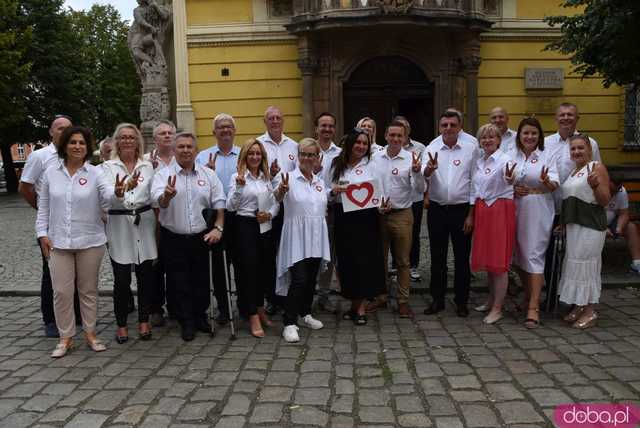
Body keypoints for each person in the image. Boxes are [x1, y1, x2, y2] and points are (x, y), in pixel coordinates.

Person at [35, 126, 113, 357]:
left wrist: (119, 192)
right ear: (64, 146)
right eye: (73, 142)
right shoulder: (51, 172)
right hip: (58, 242)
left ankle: (90, 333)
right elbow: (44, 208)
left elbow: (107, 196)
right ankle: (66, 337)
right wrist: (42, 234)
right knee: (61, 291)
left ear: (88, 147)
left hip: (90, 240)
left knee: (88, 291)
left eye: (82, 143)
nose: (77, 146)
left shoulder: (96, 173)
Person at [151, 132, 226, 341]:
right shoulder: (162, 175)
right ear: (174, 150)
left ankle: (200, 316)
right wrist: (167, 195)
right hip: (174, 237)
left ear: (196, 151)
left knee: (202, 280)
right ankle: (186, 321)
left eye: (189, 147)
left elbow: (219, 203)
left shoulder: (208, 175)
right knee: (178, 281)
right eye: (181, 147)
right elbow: (159, 203)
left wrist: (218, 228)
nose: (185, 150)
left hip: (201, 236)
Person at [19, 115, 82, 338]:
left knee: (74, 270)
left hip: (74, 223)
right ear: (51, 132)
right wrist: (41, 209)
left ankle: (75, 314)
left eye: (68, 128)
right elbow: (25, 187)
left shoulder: (75, 155)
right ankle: (51, 319)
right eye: (59, 128)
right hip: (50, 225)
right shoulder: (40, 156)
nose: (64, 132)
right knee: (51, 272)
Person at [102, 124, 157, 343]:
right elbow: (106, 198)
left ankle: (144, 320)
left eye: (131, 137)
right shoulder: (106, 167)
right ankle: (122, 324)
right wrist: (120, 191)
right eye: (123, 137)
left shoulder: (147, 167)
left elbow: (153, 196)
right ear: (117, 142)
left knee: (146, 277)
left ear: (137, 141)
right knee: (121, 279)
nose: (127, 141)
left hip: (144, 222)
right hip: (119, 223)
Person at [502, 117, 559, 328]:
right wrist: (511, 188)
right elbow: (501, 181)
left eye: (534, 133)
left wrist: (546, 182)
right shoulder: (510, 155)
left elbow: (554, 185)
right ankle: (527, 296)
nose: (529, 137)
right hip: (514, 207)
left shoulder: (547, 155)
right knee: (517, 255)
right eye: (526, 133)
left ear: (539, 136)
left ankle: (534, 307)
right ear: (519, 135)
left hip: (538, 208)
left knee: (534, 254)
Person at [366, 121, 425, 318]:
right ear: (385, 135)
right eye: (392, 135)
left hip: (402, 214)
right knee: (379, 259)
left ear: (405, 137)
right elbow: (368, 185)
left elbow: (419, 189)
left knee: (402, 261)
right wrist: (376, 206)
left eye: (400, 136)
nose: (395, 139)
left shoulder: (411, 158)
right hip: (379, 215)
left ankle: (403, 301)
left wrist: (417, 173)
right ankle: (381, 297)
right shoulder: (374, 158)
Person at [274, 138, 330, 343]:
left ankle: (305, 313)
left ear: (318, 158)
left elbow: (322, 204)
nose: (307, 158)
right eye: (303, 154)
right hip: (296, 236)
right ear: (298, 156)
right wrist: (281, 190)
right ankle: (289, 322)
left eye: (311, 155)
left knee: (311, 277)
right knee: (298, 279)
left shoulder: (319, 182)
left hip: (316, 236)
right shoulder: (286, 177)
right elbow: (277, 197)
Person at [423, 111, 477, 318]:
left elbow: (475, 183)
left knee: (462, 258)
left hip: (461, 210)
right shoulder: (432, 147)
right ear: (439, 127)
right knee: (438, 257)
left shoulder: (471, 149)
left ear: (459, 126)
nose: (448, 128)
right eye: (444, 124)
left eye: (452, 125)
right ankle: (437, 299)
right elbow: (422, 179)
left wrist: (471, 214)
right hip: (437, 209)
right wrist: (428, 171)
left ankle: (461, 300)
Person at [329, 129, 385, 324]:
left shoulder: (372, 164)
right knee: (347, 262)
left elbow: (381, 190)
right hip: (343, 218)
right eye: (358, 143)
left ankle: (360, 309)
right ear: (350, 144)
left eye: (365, 143)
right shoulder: (337, 164)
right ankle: (354, 305)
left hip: (366, 219)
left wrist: (383, 204)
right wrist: (333, 191)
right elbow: (328, 190)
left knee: (364, 261)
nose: (361, 147)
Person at [226, 139, 278, 337]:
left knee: (263, 270)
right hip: (244, 226)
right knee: (247, 272)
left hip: (264, 226)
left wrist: (270, 214)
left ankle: (260, 307)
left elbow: (274, 203)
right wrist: (239, 187)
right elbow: (231, 206)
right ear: (245, 157)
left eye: (258, 154)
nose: (255, 157)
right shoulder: (237, 177)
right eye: (251, 154)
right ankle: (251, 314)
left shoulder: (265, 178)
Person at [558, 134, 610, 329]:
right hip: (574, 226)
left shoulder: (597, 167)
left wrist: (596, 186)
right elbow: (571, 201)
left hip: (591, 226)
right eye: (573, 149)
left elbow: (604, 200)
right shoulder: (574, 172)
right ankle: (580, 306)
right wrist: (563, 222)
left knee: (587, 266)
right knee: (574, 265)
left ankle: (590, 311)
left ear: (590, 150)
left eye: (581, 148)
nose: (577, 152)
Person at [469, 124, 516, 324]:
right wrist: (471, 214)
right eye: (483, 138)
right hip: (482, 210)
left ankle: (498, 308)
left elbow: (512, 178)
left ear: (499, 140)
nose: (487, 140)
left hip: (499, 210)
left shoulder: (506, 160)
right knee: (489, 261)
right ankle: (491, 300)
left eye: (491, 137)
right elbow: (474, 189)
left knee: (499, 263)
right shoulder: (480, 161)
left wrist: (510, 178)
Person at [196, 113, 240, 323]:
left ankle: (245, 306)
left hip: (239, 215)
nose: (225, 130)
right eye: (221, 127)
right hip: (214, 216)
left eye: (229, 127)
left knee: (242, 263)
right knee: (219, 265)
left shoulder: (243, 154)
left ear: (234, 131)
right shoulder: (203, 157)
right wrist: (208, 173)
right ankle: (224, 308)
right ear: (214, 132)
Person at [257, 106, 298, 314]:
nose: (275, 121)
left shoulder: (293, 145)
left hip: (289, 207)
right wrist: (270, 174)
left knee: (289, 250)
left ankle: (288, 294)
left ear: (283, 121)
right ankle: (272, 297)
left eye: (278, 118)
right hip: (267, 206)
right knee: (268, 252)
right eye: (271, 118)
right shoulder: (258, 145)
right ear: (265, 122)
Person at [144, 120, 176, 327]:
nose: (166, 136)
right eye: (162, 133)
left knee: (173, 264)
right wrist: (152, 172)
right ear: (154, 139)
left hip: (174, 218)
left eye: (169, 133)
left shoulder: (181, 158)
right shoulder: (146, 161)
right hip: (151, 219)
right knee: (153, 265)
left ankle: (175, 305)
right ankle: (155, 308)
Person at [314, 112, 342, 313]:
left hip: (331, 209)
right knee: (309, 252)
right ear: (317, 128)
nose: (327, 129)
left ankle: (323, 295)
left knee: (329, 254)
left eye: (330, 126)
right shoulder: (307, 150)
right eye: (323, 125)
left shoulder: (340, 153)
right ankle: (306, 292)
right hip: (310, 209)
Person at [394, 116, 426, 282]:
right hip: (397, 200)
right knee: (396, 235)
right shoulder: (388, 149)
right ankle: (395, 266)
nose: (401, 133)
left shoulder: (420, 147)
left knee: (414, 233)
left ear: (408, 131)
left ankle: (413, 265)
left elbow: (426, 173)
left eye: (404, 128)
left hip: (415, 198)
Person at [606, 177, 640, 273]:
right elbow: (589, 215)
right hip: (594, 222)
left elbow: (624, 213)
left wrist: (619, 227)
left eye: (616, 191)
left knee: (631, 227)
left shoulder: (621, 192)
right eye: (611, 190)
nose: (613, 194)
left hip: (612, 221)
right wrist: (602, 228)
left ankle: (637, 264)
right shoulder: (597, 189)